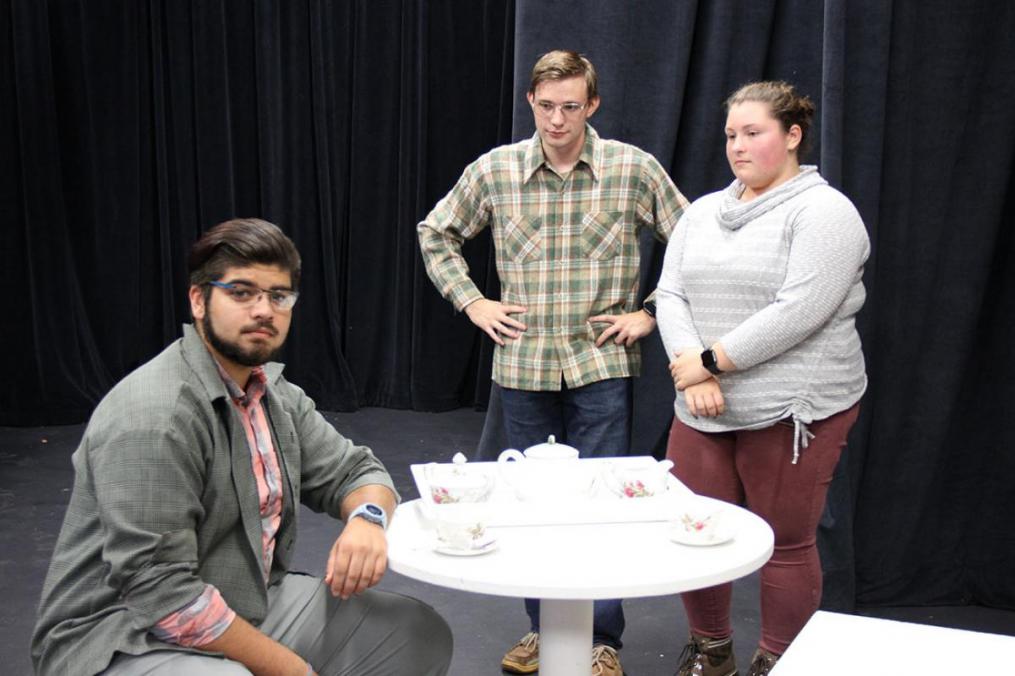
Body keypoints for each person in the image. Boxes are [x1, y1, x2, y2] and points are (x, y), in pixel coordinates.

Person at [31, 218, 453, 676]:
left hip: (241, 599)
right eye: (241, 292)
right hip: (122, 633)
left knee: (415, 633)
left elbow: (356, 471)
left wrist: (367, 520)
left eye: (278, 295)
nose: (263, 310)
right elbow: (160, 593)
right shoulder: (155, 414)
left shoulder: (270, 393)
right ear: (198, 300)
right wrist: (293, 670)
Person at [418, 50, 688, 676]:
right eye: (546, 107)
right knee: (531, 503)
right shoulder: (496, 170)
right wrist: (473, 302)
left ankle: (602, 641)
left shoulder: (631, 168)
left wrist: (649, 313)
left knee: (600, 503)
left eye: (571, 106)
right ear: (530, 103)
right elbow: (437, 233)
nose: (558, 119)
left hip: (601, 364)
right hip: (525, 365)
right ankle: (543, 629)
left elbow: (693, 242)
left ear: (592, 105)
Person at [656, 81, 869, 676]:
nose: (738, 146)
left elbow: (799, 310)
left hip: (793, 407)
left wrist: (712, 360)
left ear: (792, 135)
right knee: (698, 533)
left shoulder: (825, 212)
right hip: (703, 401)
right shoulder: (701, 212)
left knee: (785, 541)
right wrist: (691, 371)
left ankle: (778, 661)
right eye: (731, 135)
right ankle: (711, 651)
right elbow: (670, 293)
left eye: (754, 133)